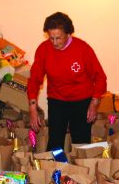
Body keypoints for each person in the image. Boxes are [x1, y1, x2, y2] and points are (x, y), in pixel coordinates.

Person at [27, 12, 107, 151]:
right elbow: (34, 79)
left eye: (59, 38)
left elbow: (100, 77)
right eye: (51, 38)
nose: (55, 42)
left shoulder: (83, 49)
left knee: (81, 144)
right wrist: (32, 107)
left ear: (68, 34)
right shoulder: (43, 49)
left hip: (82, 101)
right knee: (55, 144)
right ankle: (55, 171)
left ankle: (80, 171)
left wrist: (94, 102)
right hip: (57, 100)